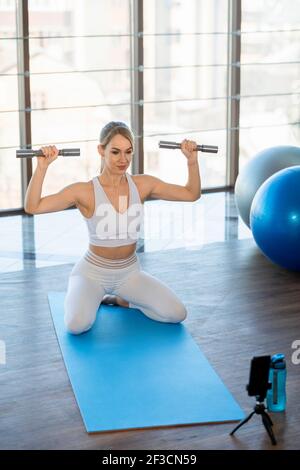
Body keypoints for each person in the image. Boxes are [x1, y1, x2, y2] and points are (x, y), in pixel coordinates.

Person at [24, 121, 201, 334]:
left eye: (128, 152)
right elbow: (33, 206)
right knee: (76, 326)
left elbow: (191, 194)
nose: (123, 159)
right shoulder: (85, 191)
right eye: (115, 152)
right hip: (91, 273)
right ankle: (85, 296)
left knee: (176, 313)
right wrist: (42, 167)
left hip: (129, 273)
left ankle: (120, 300)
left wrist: (192, 161)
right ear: (101, 150)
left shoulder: (143, 184)